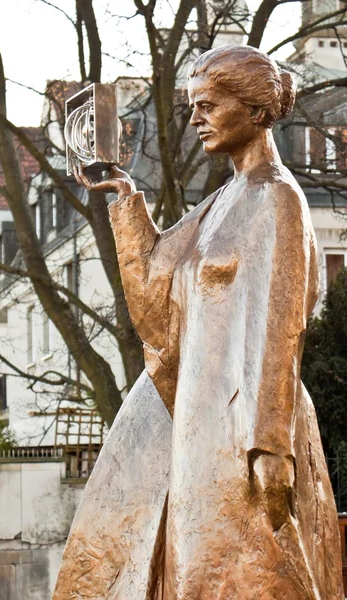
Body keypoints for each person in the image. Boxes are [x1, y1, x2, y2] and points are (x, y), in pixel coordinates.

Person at [53, 45, 343, 600]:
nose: (195, 119)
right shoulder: (221, 201)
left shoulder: (276, 197)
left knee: (250, 576)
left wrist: (271, 445)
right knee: (196, 575)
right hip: (199, 425)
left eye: (208, 105)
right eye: (192, 106)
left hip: (248, 426)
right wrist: (124, 195)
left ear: (256, 110)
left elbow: (281, 326)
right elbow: (160, 301)